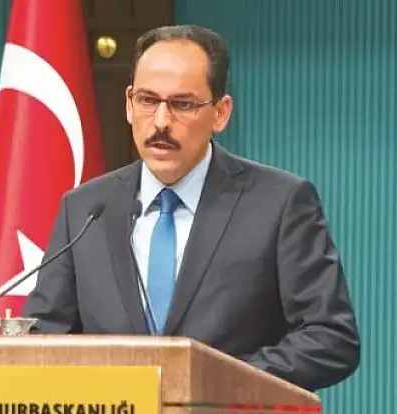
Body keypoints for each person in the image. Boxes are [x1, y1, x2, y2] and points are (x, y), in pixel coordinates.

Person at [21, 24, 360, 392]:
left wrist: (213, 381)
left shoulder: (280, 203)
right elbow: (44, 335)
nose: (161, 122)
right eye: (147, 100)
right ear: (129, 104)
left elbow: (330, 338)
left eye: (182, 104)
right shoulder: (85, 208)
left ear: (220, 113)